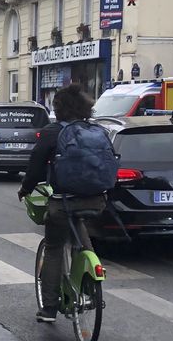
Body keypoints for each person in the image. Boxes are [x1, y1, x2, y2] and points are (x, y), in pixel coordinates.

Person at [18, 85, 107, 323]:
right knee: (81, 236)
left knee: (54, 246)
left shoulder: (53, 132)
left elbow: (36, 165)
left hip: (63, 201)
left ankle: (48, 308)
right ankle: (92, 289)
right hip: (96, 199)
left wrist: (26, 188)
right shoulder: (96, 130)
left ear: (59, 108)